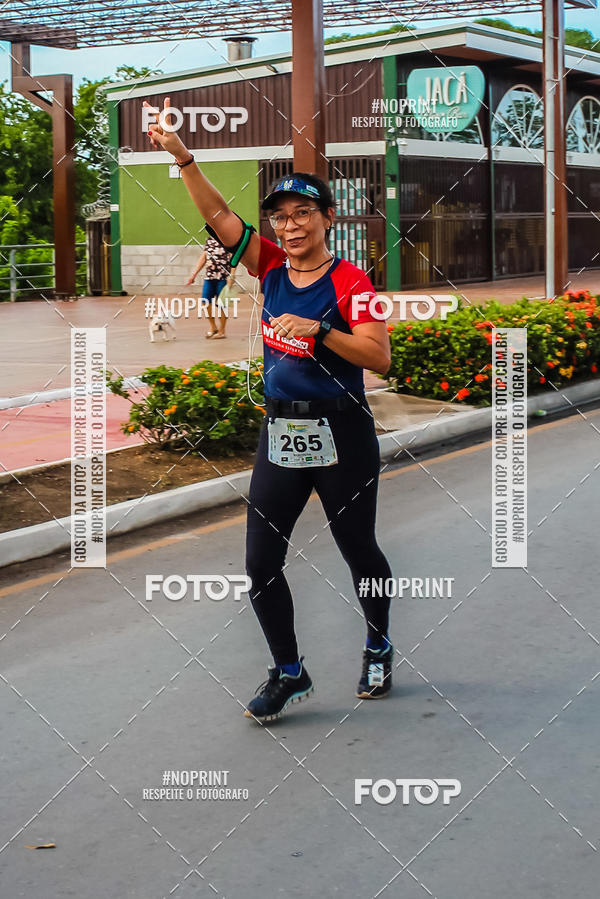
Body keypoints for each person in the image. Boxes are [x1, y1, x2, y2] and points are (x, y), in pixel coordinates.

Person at [145, 98, 394, 722]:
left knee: (358, 549)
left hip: (343, 430)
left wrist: (318, 333)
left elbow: (379, 358)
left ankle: (378, 645)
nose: (290, 226)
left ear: (327, 218)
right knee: (260, 561)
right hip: (281, 429)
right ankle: (289, 670)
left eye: (303, 213)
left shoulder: (352, 283)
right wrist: (184, 160)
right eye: (281, 217)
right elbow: (219, 217)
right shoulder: (271, 267)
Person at [186, 237, 236, 338]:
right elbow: (204, 257)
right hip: (209, 277)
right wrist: (194, 274)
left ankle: (222, 331)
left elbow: (233, 258)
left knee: (222, 305)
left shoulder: (227, 239)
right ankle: (213, 327)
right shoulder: (209, 240)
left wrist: (232, 275)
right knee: (205, 301)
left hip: (223, 278)